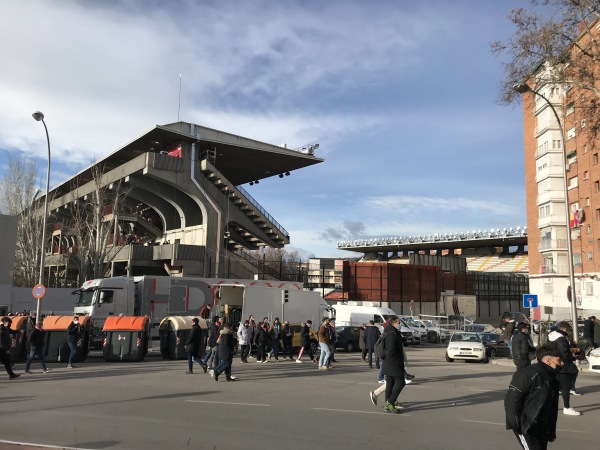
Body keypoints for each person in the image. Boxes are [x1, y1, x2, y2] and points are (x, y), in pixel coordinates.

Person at [504, 345, 563, 449]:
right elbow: (512, 400)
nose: (562, 363)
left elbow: (552, 408)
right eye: (559, 361)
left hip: (542, 426)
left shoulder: (552, 378)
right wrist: (517, 425)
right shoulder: (527, 374)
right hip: (527, 426)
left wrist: (551, 431)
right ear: (548, 360)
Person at [548, 321, 581, 415]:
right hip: (563, 367)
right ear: (565, 329)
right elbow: (565, 355)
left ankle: (551, 406)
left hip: (552, 364)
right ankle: (567, 408)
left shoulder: (551, 335)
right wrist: (574, 357)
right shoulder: (561, 339)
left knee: (554, 388)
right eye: (568, 330)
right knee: (566, 388)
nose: (568, 332)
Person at [381, 317, 406, 413]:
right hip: (393, 363)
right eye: (399, 323)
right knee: (401, 382)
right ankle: (390, 402)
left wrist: (402, 340)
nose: (400, 325)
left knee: (390, 383)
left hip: (388, 362)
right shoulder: (392, 333)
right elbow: (391, 350)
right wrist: (399, 360)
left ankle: (387, 403)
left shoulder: (391, 332)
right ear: (394, 323)